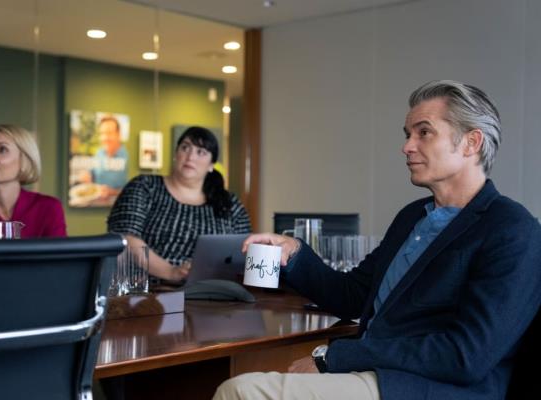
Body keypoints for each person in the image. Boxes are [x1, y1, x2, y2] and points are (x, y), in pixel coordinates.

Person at [213, 80, 541, 400]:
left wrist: (337, 358)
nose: (407, 146)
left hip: (426, 388)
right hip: (376, 375)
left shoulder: (512, 230)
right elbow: (352, 296)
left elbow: (466, 356)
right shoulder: (413, 217)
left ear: (472, 143)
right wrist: (295, 253)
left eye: (424, 132)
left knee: (241, 391)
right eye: (408, 134)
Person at [107, 126, 251, 282]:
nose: (190, 157)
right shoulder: (145, 186)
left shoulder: (230, 203)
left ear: (211, 165)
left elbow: (244, 248)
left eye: (201, 152)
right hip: (146, 291)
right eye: (185, 147)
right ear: (176, 153)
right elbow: (125, 238)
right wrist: (171, 272)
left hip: (212, 292)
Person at [82, 115, 128, 199]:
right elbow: (92, 172)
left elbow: (133, 190)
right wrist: (87, 175)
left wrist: (112, 192)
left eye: (109, 133)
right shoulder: (99, 153)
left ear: (118, 134)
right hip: (94, 203)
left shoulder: (127, 156)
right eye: (102, 133)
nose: (105, 138)